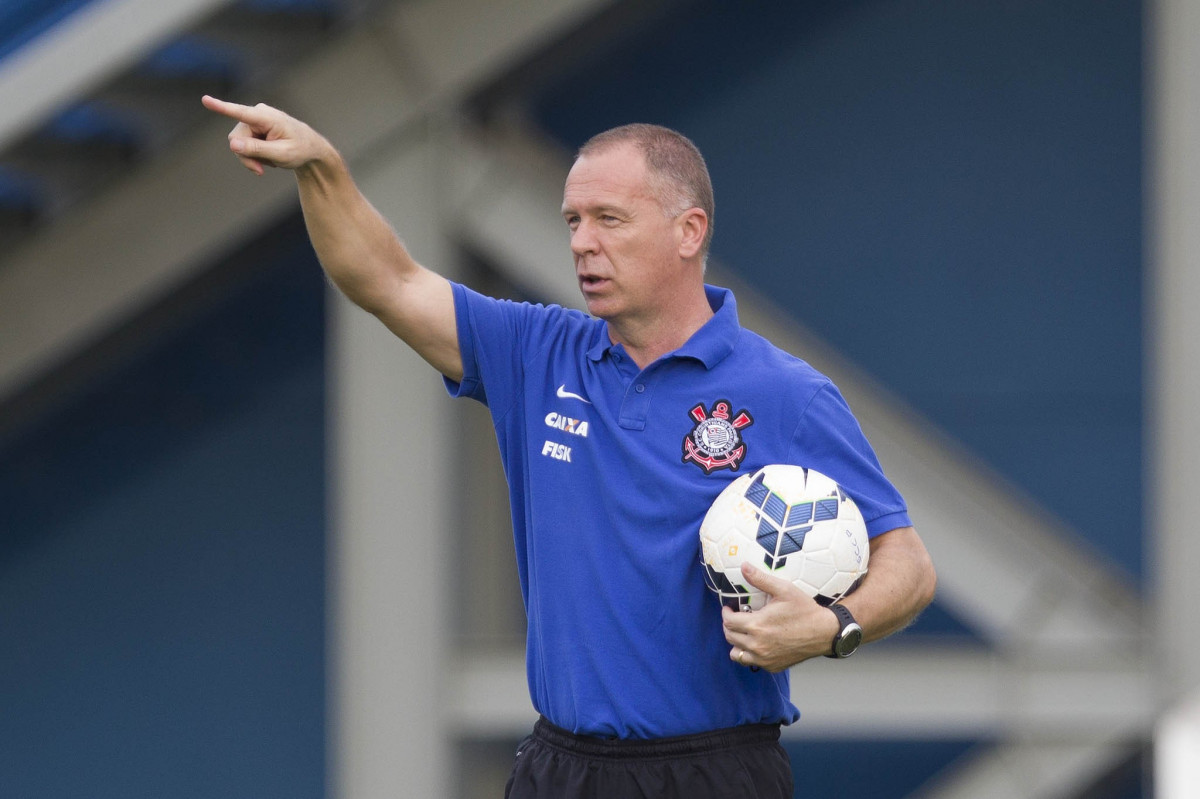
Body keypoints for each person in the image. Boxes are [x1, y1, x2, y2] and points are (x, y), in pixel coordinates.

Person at [202, 94, 937, 798]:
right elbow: (385, 279)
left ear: (689, 230)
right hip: (561, 767)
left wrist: (832, 625)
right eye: (573, 220)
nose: (583, 241)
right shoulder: (538, 352)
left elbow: (907, 560)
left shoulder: (786, 393)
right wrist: (322, 168)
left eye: (609, 219)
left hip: (716, 771)